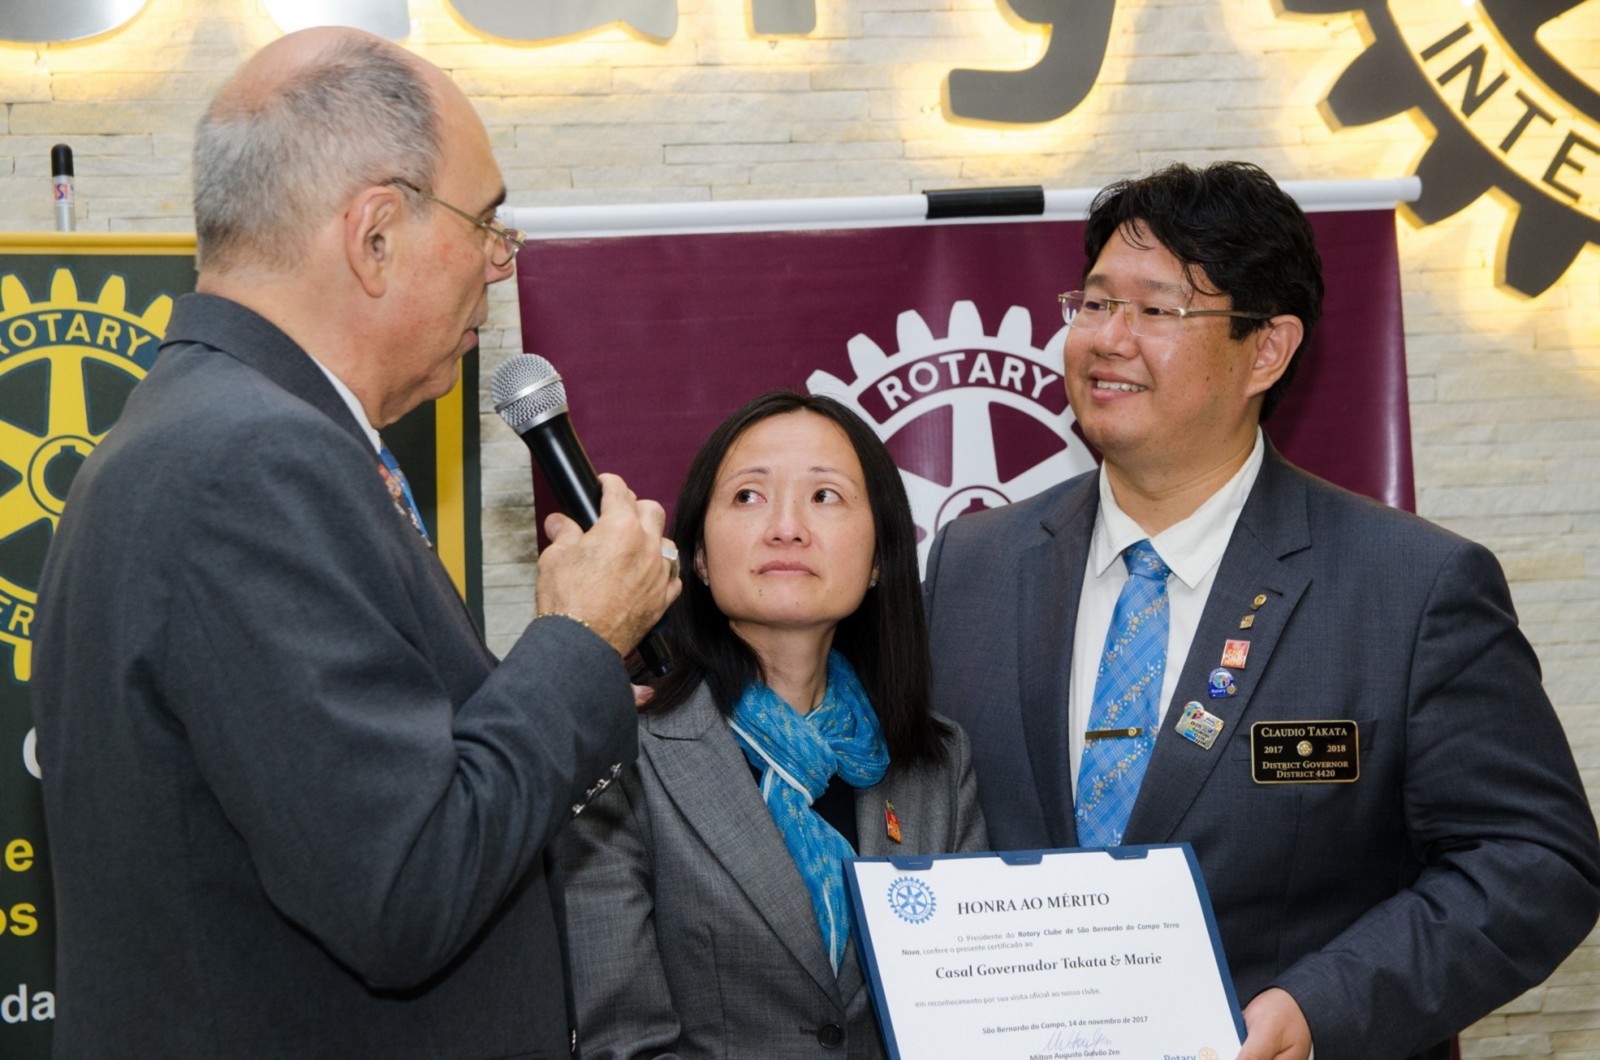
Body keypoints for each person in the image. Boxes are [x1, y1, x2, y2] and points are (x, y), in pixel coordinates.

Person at [29, 27, 679, 1058]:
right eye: (486, 221)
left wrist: (567, 679)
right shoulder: (254, 463)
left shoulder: (211, 431)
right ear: (374, 235)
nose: (501, 262)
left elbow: (355, 802)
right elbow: (405, 884)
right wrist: (581, 643)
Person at [922, 161, 1600, 1060]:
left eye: (1156, 310)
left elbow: (1534, 863)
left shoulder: (1414, 588)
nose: (1108, 339)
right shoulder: (972, 564)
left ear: (1268, 349)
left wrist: (1319, 1009)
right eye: (1095, 303)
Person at [556, 390, 987, 1059]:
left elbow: (972, 1013)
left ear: (880, 556)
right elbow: (621, 1040)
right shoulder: (621, 756)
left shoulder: (936, 761)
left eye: (825, 496)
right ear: (698, 556)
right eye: (749, 496)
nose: (787, 528)